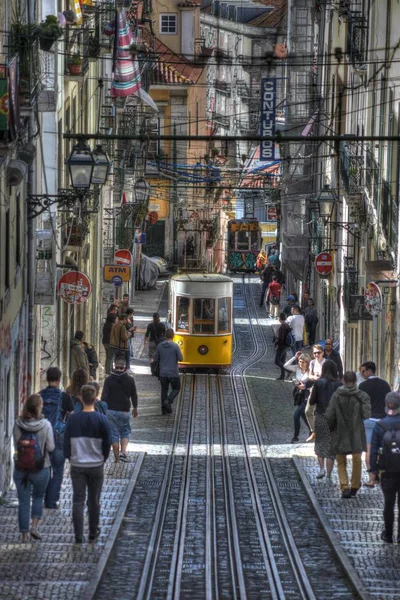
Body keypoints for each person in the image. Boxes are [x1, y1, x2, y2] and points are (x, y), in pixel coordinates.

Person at [64, 385, 112, 544]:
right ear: (95, 398)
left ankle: (78, 535)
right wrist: (102, 458)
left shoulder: (73, 419)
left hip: (78, 465)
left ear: (81, 398)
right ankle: (93, 531)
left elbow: (66, 443)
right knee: (94, 500)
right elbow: (107, 443)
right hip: (96, 465)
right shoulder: (102, 419)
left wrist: (71, 458)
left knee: (78, 500)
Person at [13, 394, 55, 542]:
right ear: (39, 407)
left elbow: (16, 444)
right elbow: (50, 447)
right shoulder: (46, 425)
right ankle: (34, 527)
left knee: (23, 501)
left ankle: (24, 534)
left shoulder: (18, 423)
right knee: (38, 497)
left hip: (21, 469)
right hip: (41, 467)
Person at [325, 371, 371, 498]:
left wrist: (328, 429)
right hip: (356, 431)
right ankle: (355, 485)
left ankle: (344, 486)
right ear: (356, 381)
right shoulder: (362, 396)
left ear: (343, 381)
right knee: (357, 459)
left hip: (340, 431)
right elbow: (367, 414)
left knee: (341, 460)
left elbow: (330, 415)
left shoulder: (336, 395)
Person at [40, 367, 74, 509]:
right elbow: (71, 415)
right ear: (59, 379)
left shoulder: (39, 396)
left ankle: (45, 497)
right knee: (58, 469)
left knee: (46, 467)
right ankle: (52, 501)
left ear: (47, 379)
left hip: (43, 436)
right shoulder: (64, 396)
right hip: (59, 436)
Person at [370, 392, 400, 543]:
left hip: (387, 471)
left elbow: (373, 450)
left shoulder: (380, 425)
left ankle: (388, 534)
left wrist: (373, 471)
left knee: (389, 503)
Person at [359, 361, 391, 487]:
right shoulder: (385, 384)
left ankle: (372, 479)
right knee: (383, 451)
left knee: (369, 452)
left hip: (369, 421)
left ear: (369, 371)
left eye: (362, 371)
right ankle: (382, 477)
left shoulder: (363, 386)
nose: (361, 374)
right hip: (383, 421)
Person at [309, 360, 342, 480]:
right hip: (334, 418)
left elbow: (312, 401)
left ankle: (321, 469)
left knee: (320, 443)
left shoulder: (318, 383)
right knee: (331, 447)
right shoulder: (339, 384)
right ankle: (328, 474)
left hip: (321, 416)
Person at [101, 356, 138, 462]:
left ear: (114, 367)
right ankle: (123, 452)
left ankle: (116, 458)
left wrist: (104, 410)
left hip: (111, 411)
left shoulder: (108, 380)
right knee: (125, 431)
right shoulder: (130, 380)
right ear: (125, 367)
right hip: (125, 410)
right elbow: (134, 395)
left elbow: (104, 397)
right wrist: (135, 408)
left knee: (114, 433)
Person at [154, 328, 183, 415]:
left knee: (164, 390)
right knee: (176, 388)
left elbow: (155, 358)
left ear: (165, 336)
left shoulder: (159, 346)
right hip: (173, 372)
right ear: (173, 336)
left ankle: (164, 409)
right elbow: (181, 359)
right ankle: (168, 401)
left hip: (163, 373)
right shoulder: (175, 346)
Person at [284, 352, 312, 443]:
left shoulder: (310, 371)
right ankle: (312, 431)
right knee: (304, 415)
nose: (301, 364)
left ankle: (295, 437)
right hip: (299, 394)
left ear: (307, 362)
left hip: (307, 395)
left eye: (303, 362)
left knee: (296, 415)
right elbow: (286, 365)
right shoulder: (297, 368)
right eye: (300, 361)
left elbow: (314, 383)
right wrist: (294, 357)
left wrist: (306, 386)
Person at [274, 313, 291, 380]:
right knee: (282, 361)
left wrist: (277, 343)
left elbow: (281, 338)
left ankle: (289, 371)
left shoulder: (282, 326)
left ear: (279, 318)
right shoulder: (286, 325)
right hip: (286, 345)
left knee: (277, 361)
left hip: (282, 345)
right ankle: (282, 376)